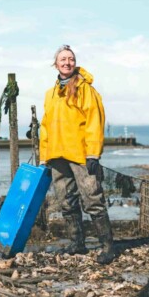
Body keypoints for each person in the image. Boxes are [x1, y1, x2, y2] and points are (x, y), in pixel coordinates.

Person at [39, 44, 117, 264]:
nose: (67, 62)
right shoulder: (50, 94)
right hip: (57, 155)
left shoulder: (85, 89)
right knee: (66, 201)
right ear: (55, 64)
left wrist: (93, 154)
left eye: (70, 59)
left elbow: (95, 121)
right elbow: (44, 126)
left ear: (75, 63)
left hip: (81, 155)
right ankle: (77, 244)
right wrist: (45, 155)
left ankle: (108, 246)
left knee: (93, 199)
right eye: (62, 59)